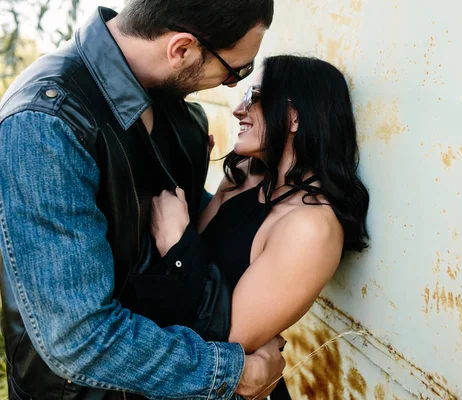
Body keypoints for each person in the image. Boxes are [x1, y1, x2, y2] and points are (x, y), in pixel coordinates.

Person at [0, 1, 286, 399]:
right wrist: (234, 371)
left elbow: (151, 230)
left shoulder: (172, 106)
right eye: (235, 70)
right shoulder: (47, 122)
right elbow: (78, 338)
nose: (231, 87)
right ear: (181, 49)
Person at [150, 55, 370, 398]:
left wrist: (176, 246)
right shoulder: (246, 178)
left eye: (255, 97)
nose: (240, 109)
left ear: (294, 116)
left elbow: (227, 339)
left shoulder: (310, 226)